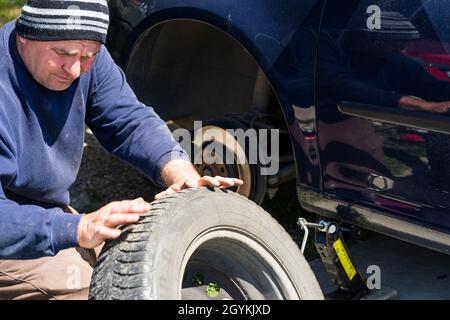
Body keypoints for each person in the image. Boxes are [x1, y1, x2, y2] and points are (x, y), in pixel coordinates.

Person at [0, 0, 242, 299]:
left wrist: (179, 171)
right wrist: (78, 227)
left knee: (142, 260)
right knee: (91, 290)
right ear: (26, 36)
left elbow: (127, 119)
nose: (75, 69)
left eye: (89, 56)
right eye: (63, 54)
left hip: (46, 211)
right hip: (8, 226)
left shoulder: (84, 51)